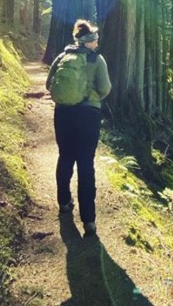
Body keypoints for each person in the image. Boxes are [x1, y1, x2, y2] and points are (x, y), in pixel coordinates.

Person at [45, 19, 111, 236]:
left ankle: (64, 203)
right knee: (85, 164)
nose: (97, 42)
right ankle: (89, 220)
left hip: (63, 113)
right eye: (95, 39)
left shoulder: (63, 56)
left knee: (65, 157)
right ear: (90, 41)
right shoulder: (97, 60)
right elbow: (105, 88)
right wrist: (91, 98)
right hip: (88, 116)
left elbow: (49, 84)